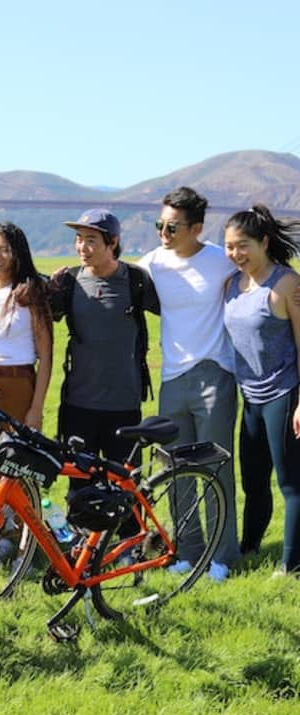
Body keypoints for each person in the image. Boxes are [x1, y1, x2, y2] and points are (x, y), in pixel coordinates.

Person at [137, 186, 240, 582]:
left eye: (173, 226)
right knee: (175, 469)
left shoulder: (220, 260)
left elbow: (260, 272)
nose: (164, 232)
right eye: (160, 224)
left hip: (215, 373)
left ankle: (221, 556)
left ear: (197, 228)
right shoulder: (152, 263)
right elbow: (115, 275)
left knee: (216, 469)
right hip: (172, 379)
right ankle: (186, 549)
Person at [223, 205, 300, 575]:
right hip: (249, 397)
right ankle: (249, 549)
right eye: (229, 247)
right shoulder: (232, 284)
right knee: (253, 481)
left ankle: (291, 564)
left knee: (290, 482)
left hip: (285, 394)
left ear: (264, 242)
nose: (236, 254)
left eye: (243, 246)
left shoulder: (287, 284)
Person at [49, 209, 159, 469]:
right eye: (78, 238)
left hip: (124, 406)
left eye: (90, 240)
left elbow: (177, 311)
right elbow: (41, 318)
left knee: (124, 491)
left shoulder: (136, 280)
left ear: (113, 242)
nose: (81, 247)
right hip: (78, 404)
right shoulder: (69, 281)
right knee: (79, 492)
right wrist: (49, 291)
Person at [0, 221, 53, 463]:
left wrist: (36, 408)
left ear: (18, 254)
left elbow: (46, 356)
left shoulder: (30, 294)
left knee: (18, 466)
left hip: (18, 386)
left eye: (5, 249)